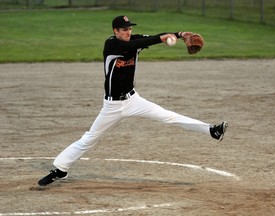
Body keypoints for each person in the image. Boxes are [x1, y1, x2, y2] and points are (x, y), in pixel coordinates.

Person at [38, 15, 228, 186]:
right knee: (89, 139)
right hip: (112, 106)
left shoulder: (134, 39)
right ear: (115, 31)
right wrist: (160, 39)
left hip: (133, 100)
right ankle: (60, 170)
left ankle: (211, 130)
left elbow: (150, 38)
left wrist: (178, 34)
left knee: (168, 116)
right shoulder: (112, 45)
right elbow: (132, 46)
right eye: (124, 29)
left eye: (130, 29)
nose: (128, 32)